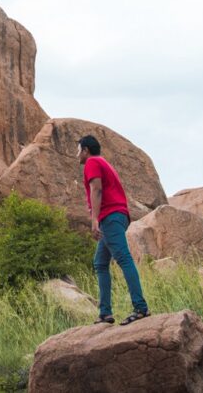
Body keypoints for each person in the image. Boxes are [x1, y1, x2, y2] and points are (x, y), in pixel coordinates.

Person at [78, 134, 150, 325]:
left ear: (85, 150)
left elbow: (97, 189)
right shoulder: (104, 162)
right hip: (116, 215)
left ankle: (141, 308)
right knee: (100, 263)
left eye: (78, 150)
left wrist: (94, 219)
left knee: (123, 258)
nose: (77, 154)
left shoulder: (92, 162)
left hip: (110, 216)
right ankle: (105, 313)